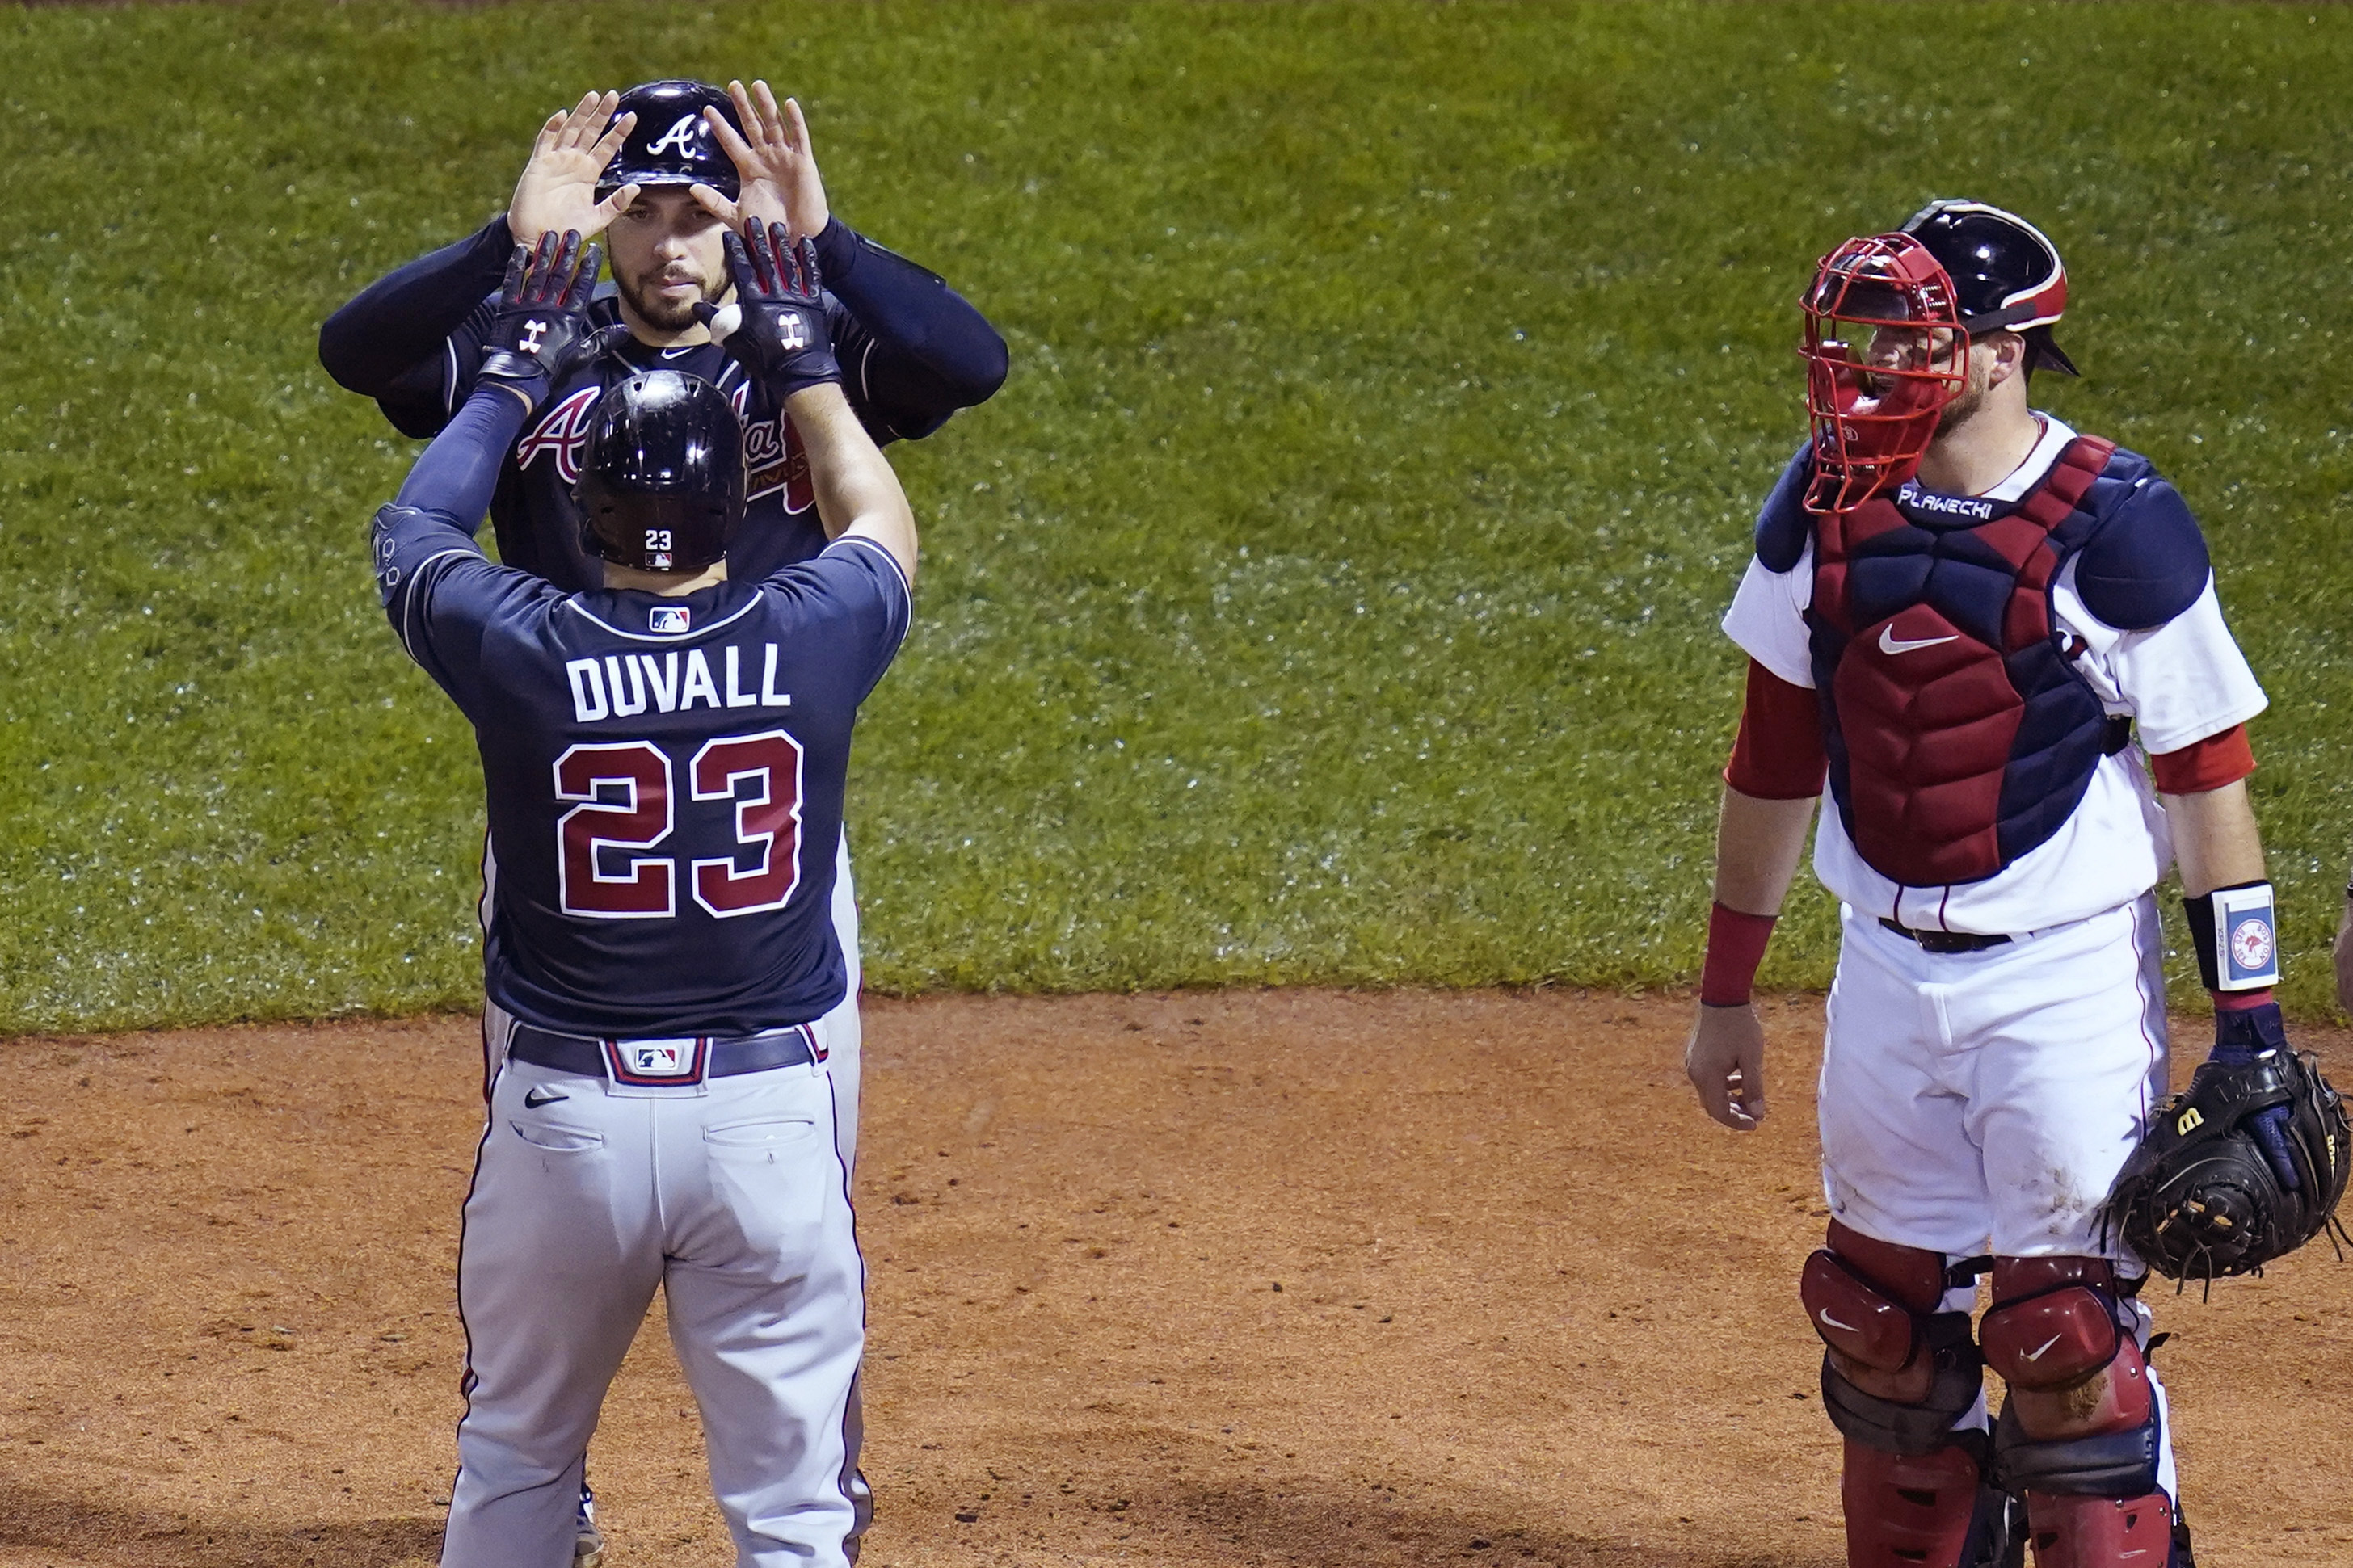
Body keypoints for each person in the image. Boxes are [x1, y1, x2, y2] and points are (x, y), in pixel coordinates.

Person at [322, 79, 996, 1559]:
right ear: (608, 224)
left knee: (545, 1237)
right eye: (646, 210)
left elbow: (967, 360)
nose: (677, 239)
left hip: (606, 791)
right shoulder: (708, 354)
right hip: (719, 813)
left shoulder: (594, 355)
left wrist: (821, 245)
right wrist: (519, 252)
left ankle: (569, 1475)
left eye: (702, 208)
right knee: (783, 1185)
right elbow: (356, 350)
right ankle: (796, 1476)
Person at [1685, 200, 2290, 1568]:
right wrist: (1727, 992)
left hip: (2060, 977)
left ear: (2005, 349)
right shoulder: (1825, 500)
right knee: (1878, 1334)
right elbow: (1770, 757)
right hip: (1883, 974)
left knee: (2063, 1344)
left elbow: (2211, 784)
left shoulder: (2118, 524)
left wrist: (2250, 1026)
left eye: (1912, 331)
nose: (1872, 359)